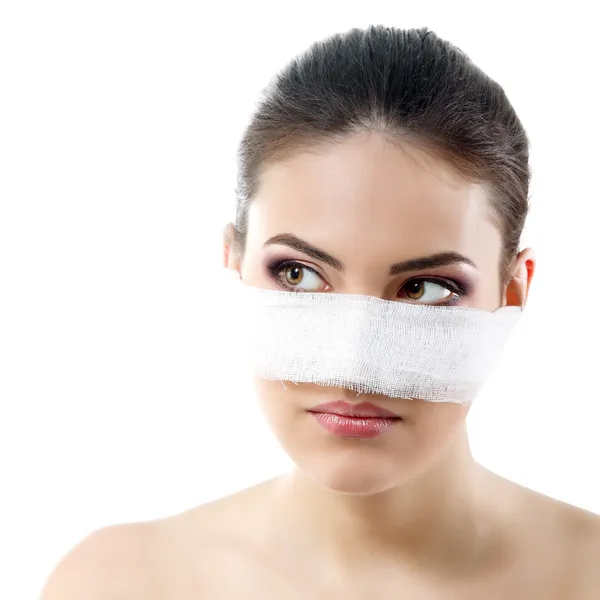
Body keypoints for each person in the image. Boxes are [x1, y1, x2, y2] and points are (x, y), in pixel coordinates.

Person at [42, 25, 600, 599]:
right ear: (234, 262)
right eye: (299, 275)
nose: (350, 367)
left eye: (426, 289)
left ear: (512, 292)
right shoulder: (117, 583)